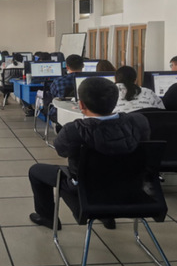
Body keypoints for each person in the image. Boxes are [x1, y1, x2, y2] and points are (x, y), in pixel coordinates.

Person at [28, 77, 150, 230]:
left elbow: (61, 151)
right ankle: (106, 216)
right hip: (130, 189)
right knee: (108, 173)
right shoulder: (139, 122)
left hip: (87, 193)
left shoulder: (74, 130)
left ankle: (47, 218)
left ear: (81, 105)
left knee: (36, 171)